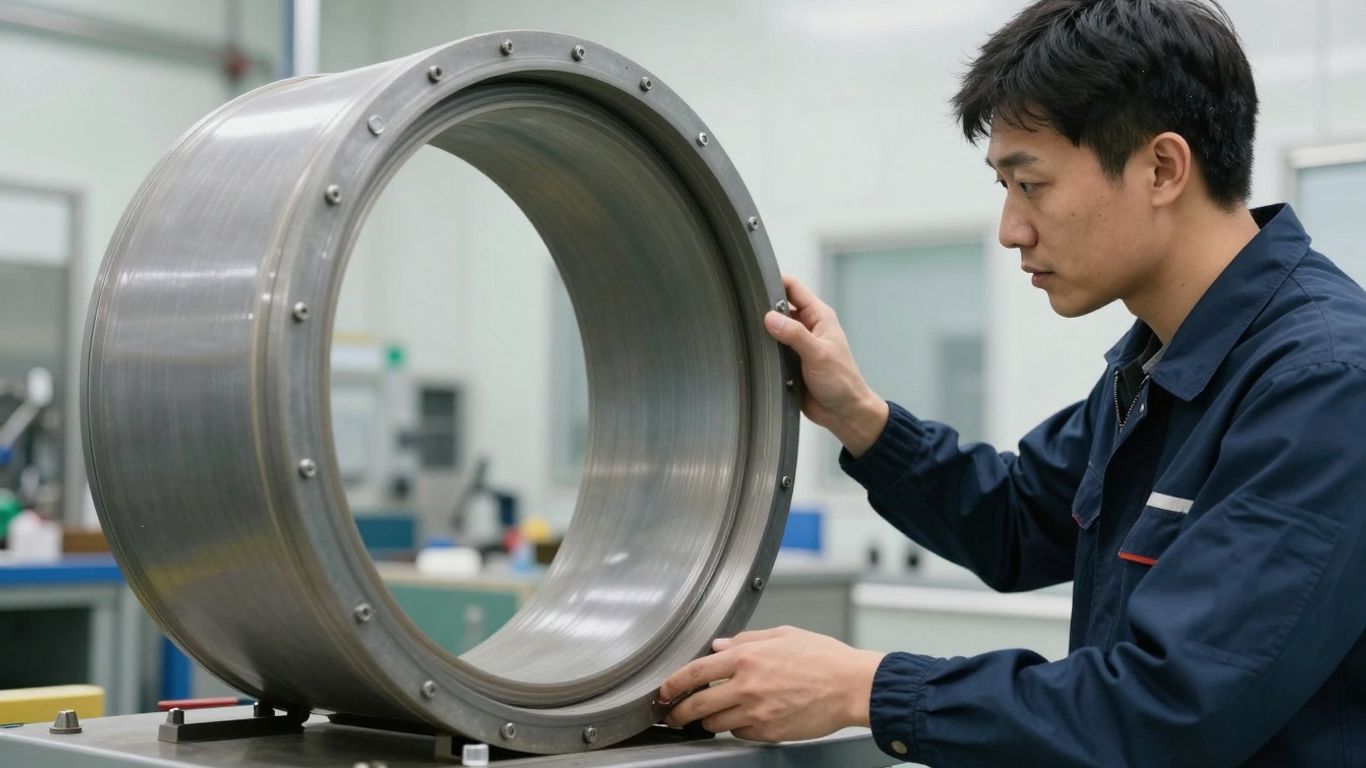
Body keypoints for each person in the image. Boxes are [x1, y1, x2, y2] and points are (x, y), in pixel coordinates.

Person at [658, 0, 1366, 765]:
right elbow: (1021, 520)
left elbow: (1169, 706)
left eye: (1031, 185)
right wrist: (859, 416)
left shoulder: (1321, 384)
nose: (1010, 229)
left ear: (1162, 167)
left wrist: (863, 688)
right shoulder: (1161, 363)